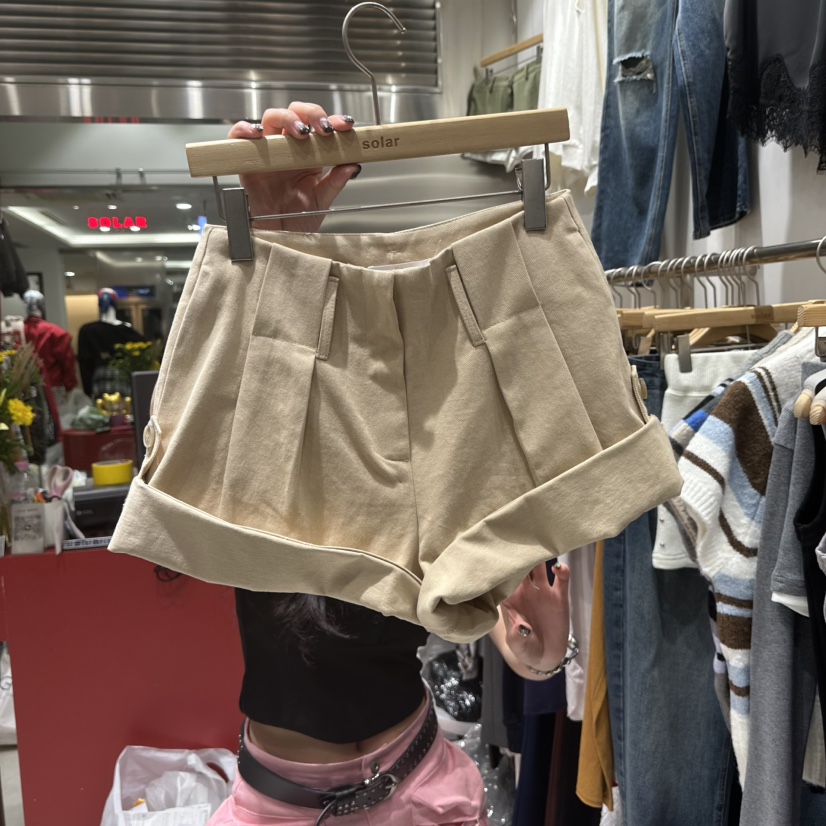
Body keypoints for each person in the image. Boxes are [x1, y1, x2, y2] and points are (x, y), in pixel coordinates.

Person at [206, 103, 574, 826]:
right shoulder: (259, 441)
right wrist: (274, 239)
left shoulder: (433, 453)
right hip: (281, 806)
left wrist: (548, 653)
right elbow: (235, 377)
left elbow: (516, 645)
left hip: (424, 787)